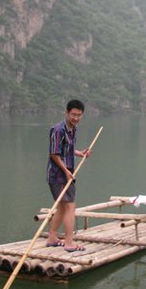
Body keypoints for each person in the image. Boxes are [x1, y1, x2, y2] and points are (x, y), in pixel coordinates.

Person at [46, 99, 92, 251]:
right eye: (73, 114)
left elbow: (67, 150)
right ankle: (69, 243)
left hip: (67, 174)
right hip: (58, 175)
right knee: (70, 206)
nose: (76, 118)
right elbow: (54, 154)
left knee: (62, 207)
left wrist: (81, 153)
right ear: (66, 113)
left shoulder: (73, 129)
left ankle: (52, 238)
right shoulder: (58, 130)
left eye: (79, 115)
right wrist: (66, 171)